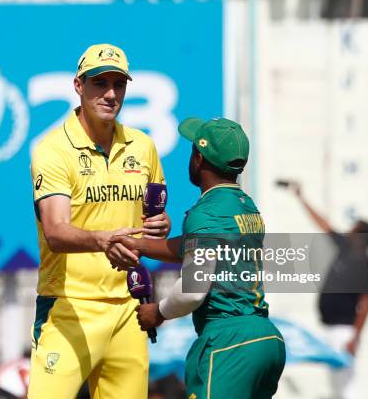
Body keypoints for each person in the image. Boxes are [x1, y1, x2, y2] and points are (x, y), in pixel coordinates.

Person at [27, 43, 170, 399]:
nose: (110, 94)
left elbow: (153, 216)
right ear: (78, 85)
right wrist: (102, 241)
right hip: (69, 306)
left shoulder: (143, 146)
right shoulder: (53, 150)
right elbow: (56, 232)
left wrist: (160, 225)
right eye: (98, 83)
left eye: (118, 84)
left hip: (128, 309)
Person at [110, 117, 286, 399]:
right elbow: (191, 248)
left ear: (199, 158)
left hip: (229, 342)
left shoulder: (206, 214)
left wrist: (158, 312)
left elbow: (193, 291)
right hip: (266, 340)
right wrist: (138, 245)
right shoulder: (245, 207)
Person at [291, 183, 368, 399]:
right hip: (331, 327)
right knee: (337, 384)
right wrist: (301, 197)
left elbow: (365, 304)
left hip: (344, 331)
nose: (349, 230)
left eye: (354, 228)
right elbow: (323, 224)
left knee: (347, 384)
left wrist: (355, 337)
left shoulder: (363, 264)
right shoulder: (345, 248)